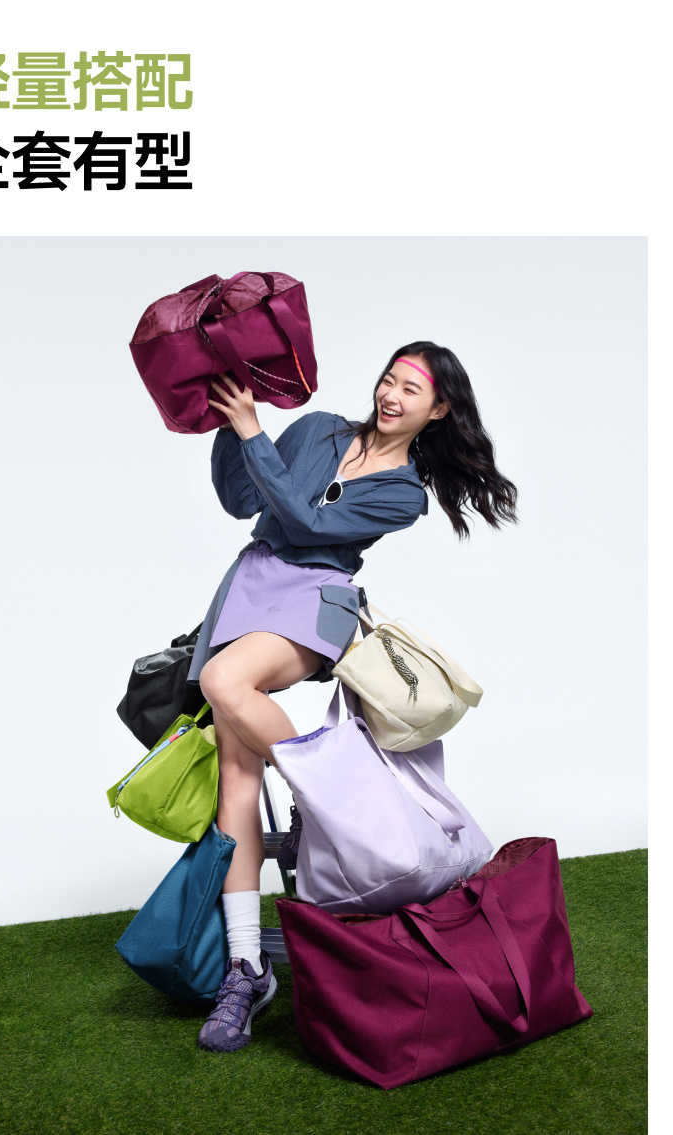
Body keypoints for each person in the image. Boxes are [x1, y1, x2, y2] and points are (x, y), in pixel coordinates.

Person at [189, 340, 519, 1052]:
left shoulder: (404, 494)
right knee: (236, 782)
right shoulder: (317, 430)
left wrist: (253, 431)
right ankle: (246, 967)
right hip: (249, 585)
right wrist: (230, 427)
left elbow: (309, 526)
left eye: (411, 389)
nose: (391, 395)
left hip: (318, 599)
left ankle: (325, 797)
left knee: (224, 680)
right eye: (388, 379)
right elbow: (243, 499)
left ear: (439, 410)